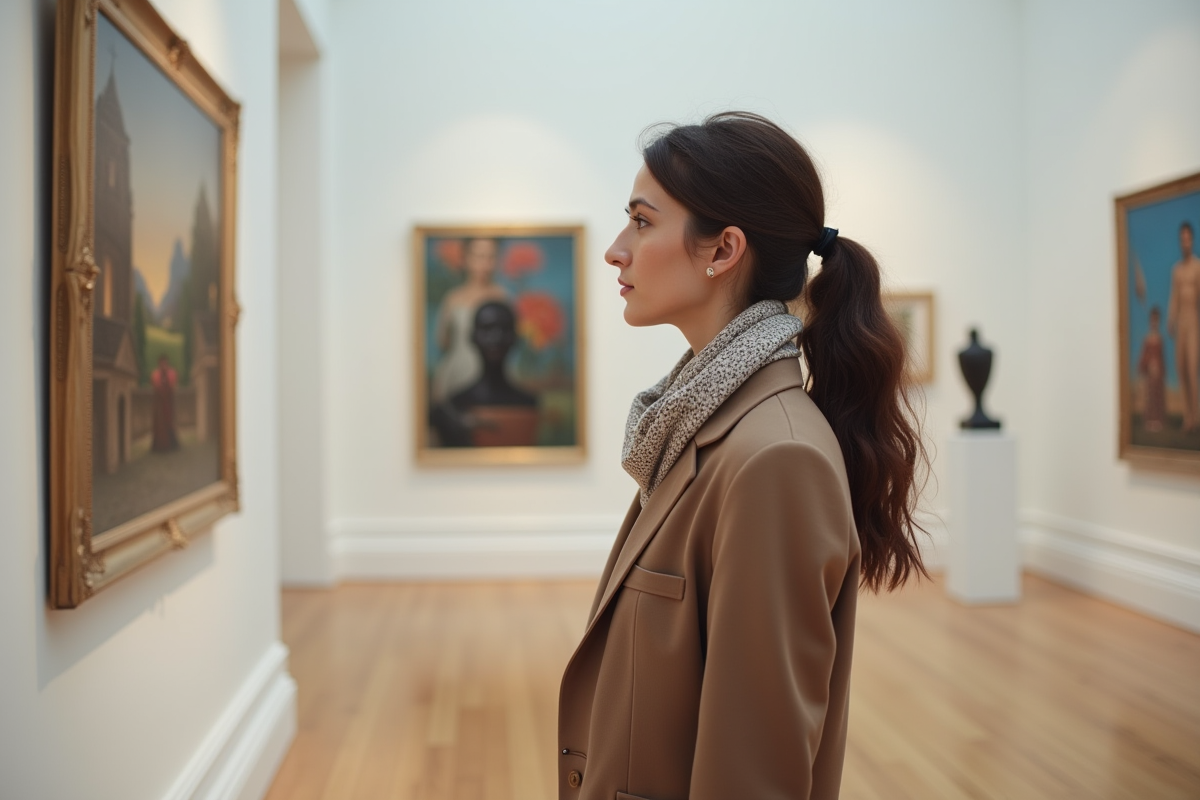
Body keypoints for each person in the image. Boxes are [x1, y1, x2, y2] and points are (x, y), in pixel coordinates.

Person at [557, 112, 927, 800]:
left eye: (641, 222)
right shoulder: (699, 424)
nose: (615, 251)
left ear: (723, 249)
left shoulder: (776, 458)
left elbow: (756, 772)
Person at [430, 238, 508, 403]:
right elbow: (443, 342)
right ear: (466, 258)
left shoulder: (503, 297)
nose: (485, 264)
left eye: (491, 257)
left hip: (492, 379)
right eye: (479, 256)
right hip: (457, 373)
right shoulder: (453, 298)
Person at [1167, 221, 1200, 432]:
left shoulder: (1197, 266)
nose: (1185, 242)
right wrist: (1170, 319)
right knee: (1180, 368)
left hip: (1194, 319)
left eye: (1188, 239)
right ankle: (1188, 417)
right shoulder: (1176, 270)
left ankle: (1196, 417)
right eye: (1182, 239)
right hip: (1181, 322)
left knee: (1192, 368)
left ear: (1192, 240)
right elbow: (1174, 297)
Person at [1138, 306, 1167, 432]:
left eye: (1157, 320)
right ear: (1150, 321)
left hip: (1158, 373)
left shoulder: (1160, 339)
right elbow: (1144, 355)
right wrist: (1148, 364)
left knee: (1158, 395)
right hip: (1150, 372)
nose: (1154, 322)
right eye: (1153, 320)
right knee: (1150, 396)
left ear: (1159, 321)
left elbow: (1161, 357)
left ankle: (1158, 420)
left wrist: (1160, 369)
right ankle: (1150, 419)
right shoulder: (1147, 338)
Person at [150, 354, 179, 452]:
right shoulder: (155, 374)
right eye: (162, 363)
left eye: (165, 363)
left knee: (169, 422)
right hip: (159, 404)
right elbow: (156, 387)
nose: (163, 365)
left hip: (168, 402)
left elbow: (172, 386)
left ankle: (171, 444)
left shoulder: (171, 373)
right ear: (159, 364)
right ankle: (159, 446)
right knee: (159, 425)